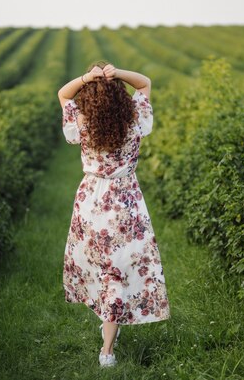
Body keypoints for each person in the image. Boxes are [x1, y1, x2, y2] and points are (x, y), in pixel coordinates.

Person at [58, 61, 171, 368]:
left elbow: (63, 94)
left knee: (102, 268)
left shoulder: (82, 121)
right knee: (118, 271)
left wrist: (86, 78)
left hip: (92, 201)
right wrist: (117, 73)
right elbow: (145, 82)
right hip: (126, 202)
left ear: (89, 97)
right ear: (121, 96)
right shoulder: (134, 119)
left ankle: (107, 337)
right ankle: (108, 346)